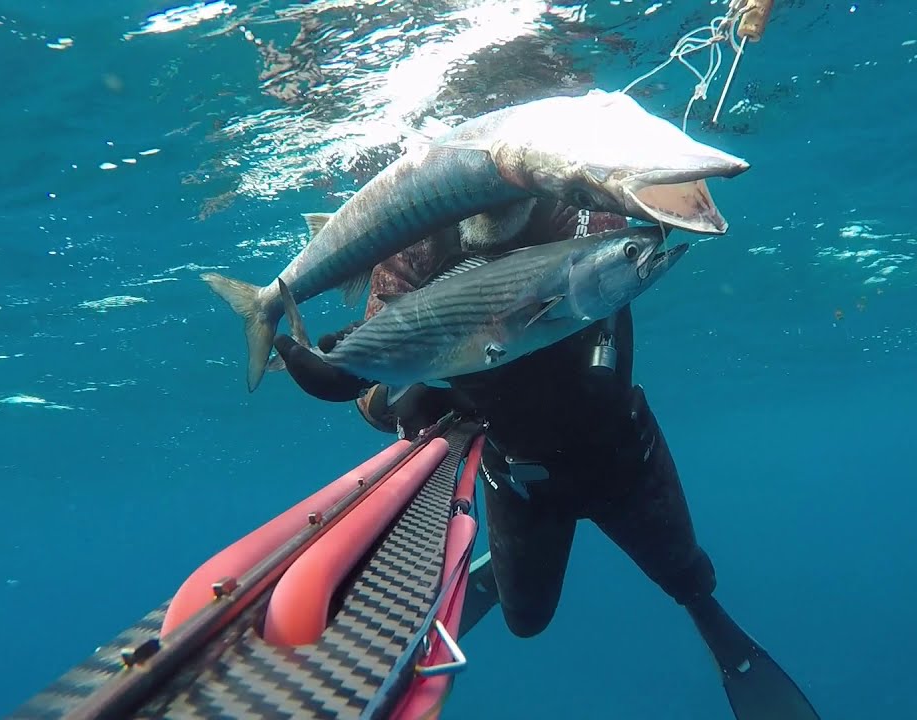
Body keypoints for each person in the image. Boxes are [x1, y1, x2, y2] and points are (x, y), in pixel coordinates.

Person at [272, 195, 820, 719]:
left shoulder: (582, 209)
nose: (486, 196)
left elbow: (643, 244)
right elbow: (377, 391)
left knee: (692, 581)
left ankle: (711, 625)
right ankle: (495, 575)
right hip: (520, 479)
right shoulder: (411, 249)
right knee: (526, 622)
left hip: (622, 457)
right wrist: (356, 380)